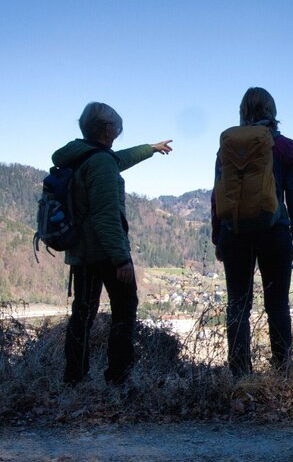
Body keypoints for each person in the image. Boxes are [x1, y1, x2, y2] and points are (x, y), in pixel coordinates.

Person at [53, 102, 173, 386]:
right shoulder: (101, 163)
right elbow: (106, 215)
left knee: (82, 314)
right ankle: (118, 378)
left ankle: (74, 379)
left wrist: (150, 149)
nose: (118, 134)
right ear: (106, 131)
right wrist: (121, 259)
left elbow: (117, 159)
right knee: (124, 309)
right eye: (117, 129)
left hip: (80, 251)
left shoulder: (80, 156)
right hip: (106, 253)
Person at [211, 87, 293, 376]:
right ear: (272, 112)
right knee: (277, 304)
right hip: (275, 232)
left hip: (235, 232)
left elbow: (218, 194)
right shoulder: (286, 147)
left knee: (238, 305)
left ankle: (240, 376)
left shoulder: (227, 147)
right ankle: (282, 373)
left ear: (242, 112)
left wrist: (218, 235)